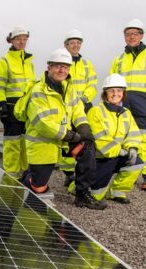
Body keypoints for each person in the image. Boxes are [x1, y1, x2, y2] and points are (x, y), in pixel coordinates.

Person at [21, 48, 106, 210]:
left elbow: (77, 111)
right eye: (58, 66)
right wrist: (72, 136)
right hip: (44, 144)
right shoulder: (39, 91)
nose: (62, 70)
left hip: (64, 140)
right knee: (38, 188)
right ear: (49, 67)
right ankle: (28, 177)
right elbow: (44, 125)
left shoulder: (69, 88)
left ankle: (82, 194)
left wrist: (84, 129)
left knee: (88, 146)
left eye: (65, 67)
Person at [110, 18, 146, 191]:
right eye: (128, 34)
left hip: (145, 101)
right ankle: (129, 171)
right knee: (123, 136)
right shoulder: (119, 59)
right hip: (124, 101)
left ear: (141, 35)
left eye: (135, 33)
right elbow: (112, 83)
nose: (131, 37)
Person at [86, 74, 143, 204]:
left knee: (137, 163)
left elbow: (133, 133)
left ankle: (117, 192)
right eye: (111, 90)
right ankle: (78, 185)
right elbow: (101, 139)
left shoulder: (126, 112)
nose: (115, 93)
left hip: (117, 155)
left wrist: (132, 148)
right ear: (105, 93)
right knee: (95, 196)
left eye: (119, 90)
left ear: (123, 93)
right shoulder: (96, 111)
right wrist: (120, 151)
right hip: (100, 158)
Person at [0, 25, 36, 178]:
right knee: (12, 143)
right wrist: (2, 106)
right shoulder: (4, 61)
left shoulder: (29, 62)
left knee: (25, 142)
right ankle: (11, 175)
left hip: (27, 108)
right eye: (18, 39)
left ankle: (24, 173)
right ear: (11, 40)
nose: (22, 41)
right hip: (11, 108)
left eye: (24, 39)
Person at [59, 29, 98, 187]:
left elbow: (93, 84)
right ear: (66, 45)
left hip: (83, 106)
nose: (76, 45)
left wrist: (84, 98)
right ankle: (69, 174)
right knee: (67, 138)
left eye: (78, 43)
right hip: (66, 107)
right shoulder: (61, 62)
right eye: (72, 43)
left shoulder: (87, 64)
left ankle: (83, 171)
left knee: (85, 138)